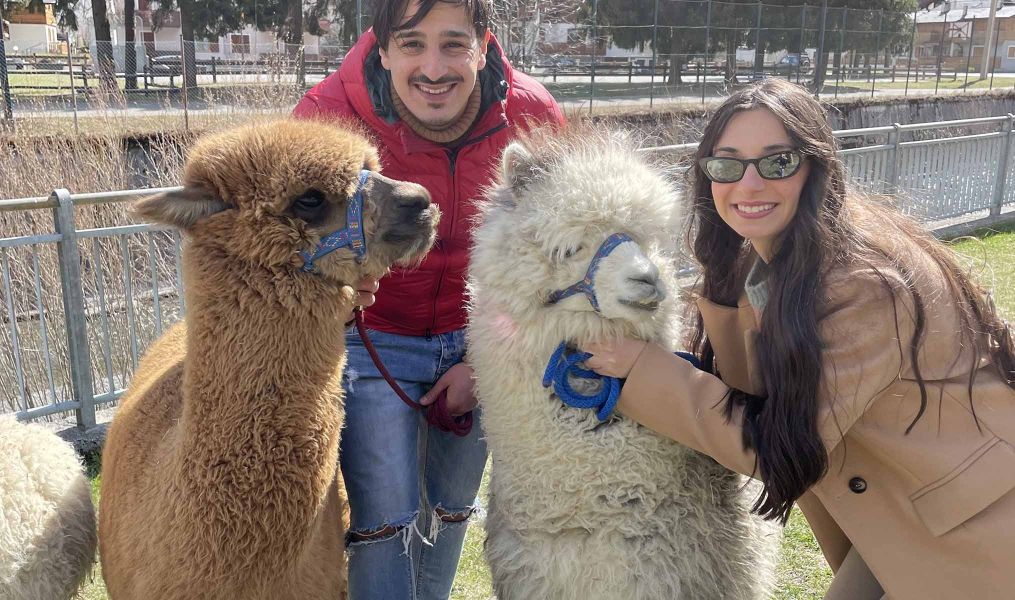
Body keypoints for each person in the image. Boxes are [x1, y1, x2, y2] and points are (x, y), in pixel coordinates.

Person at [579, 78, 1015, 599]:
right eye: (727, 165)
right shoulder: (771, 258)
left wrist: (642, 370)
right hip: (908, 510)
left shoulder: (861, 285)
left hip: (975, 529)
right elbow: (750, 382)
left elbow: (778, 443)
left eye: (777, 163)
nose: (749, 184)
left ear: (816, 167)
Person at [294, 1, 564, 598]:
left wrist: (483, 358)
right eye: (412, 44)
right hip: (373, 339)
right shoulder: (326, 118)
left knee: (448, 512)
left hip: (484, 336)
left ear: (484, 43)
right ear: (382, 47)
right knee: (382, 522)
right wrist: (336, 295)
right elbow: (287, 246)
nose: (433, 68)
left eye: (453, 43)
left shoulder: (532, 117)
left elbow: (554, 258)